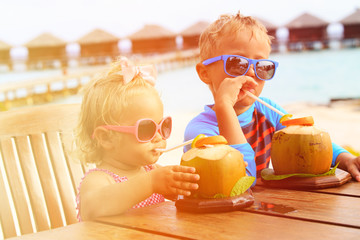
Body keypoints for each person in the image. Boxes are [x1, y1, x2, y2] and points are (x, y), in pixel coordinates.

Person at [184, 11, 360, 183]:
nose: (252, 73)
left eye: (261, 66)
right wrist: (224, 106)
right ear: (205, 73)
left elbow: (307, 140)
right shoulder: (200, 132)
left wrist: (346, 159)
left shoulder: (267, 110)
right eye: (237, 63)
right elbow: (242, 179)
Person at [75, 57, 200, 221]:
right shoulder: (98, 179)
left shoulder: (151, 170)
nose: (158, 137)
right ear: (106, 138)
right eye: (146, 129)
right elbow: (94, 207)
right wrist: (151, 184)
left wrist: (187, 184)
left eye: (163, 126)